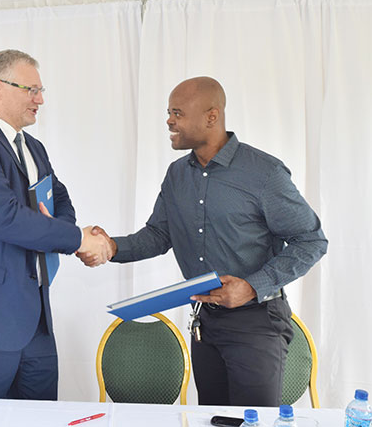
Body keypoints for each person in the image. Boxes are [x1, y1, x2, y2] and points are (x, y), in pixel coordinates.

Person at [79, 76, 328, 406]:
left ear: (212, 116)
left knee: (251, 422)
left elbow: (311, 240)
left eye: (178, 113)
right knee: (211, 419)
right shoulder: (177, 175)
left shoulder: (264, 174)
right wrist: (112, 247)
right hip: (205, 322)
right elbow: (158, 235)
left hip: (256, 323)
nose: (169, 120)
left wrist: (252, 286)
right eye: (169, 112)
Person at [0, 49, 112, 400]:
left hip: (35, 322)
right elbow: (2, 218)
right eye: (32, 90)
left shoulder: (35, 147)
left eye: (41, 91)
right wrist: (77, 240)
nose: (40, 100)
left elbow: (60, 198)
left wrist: (67, 236)